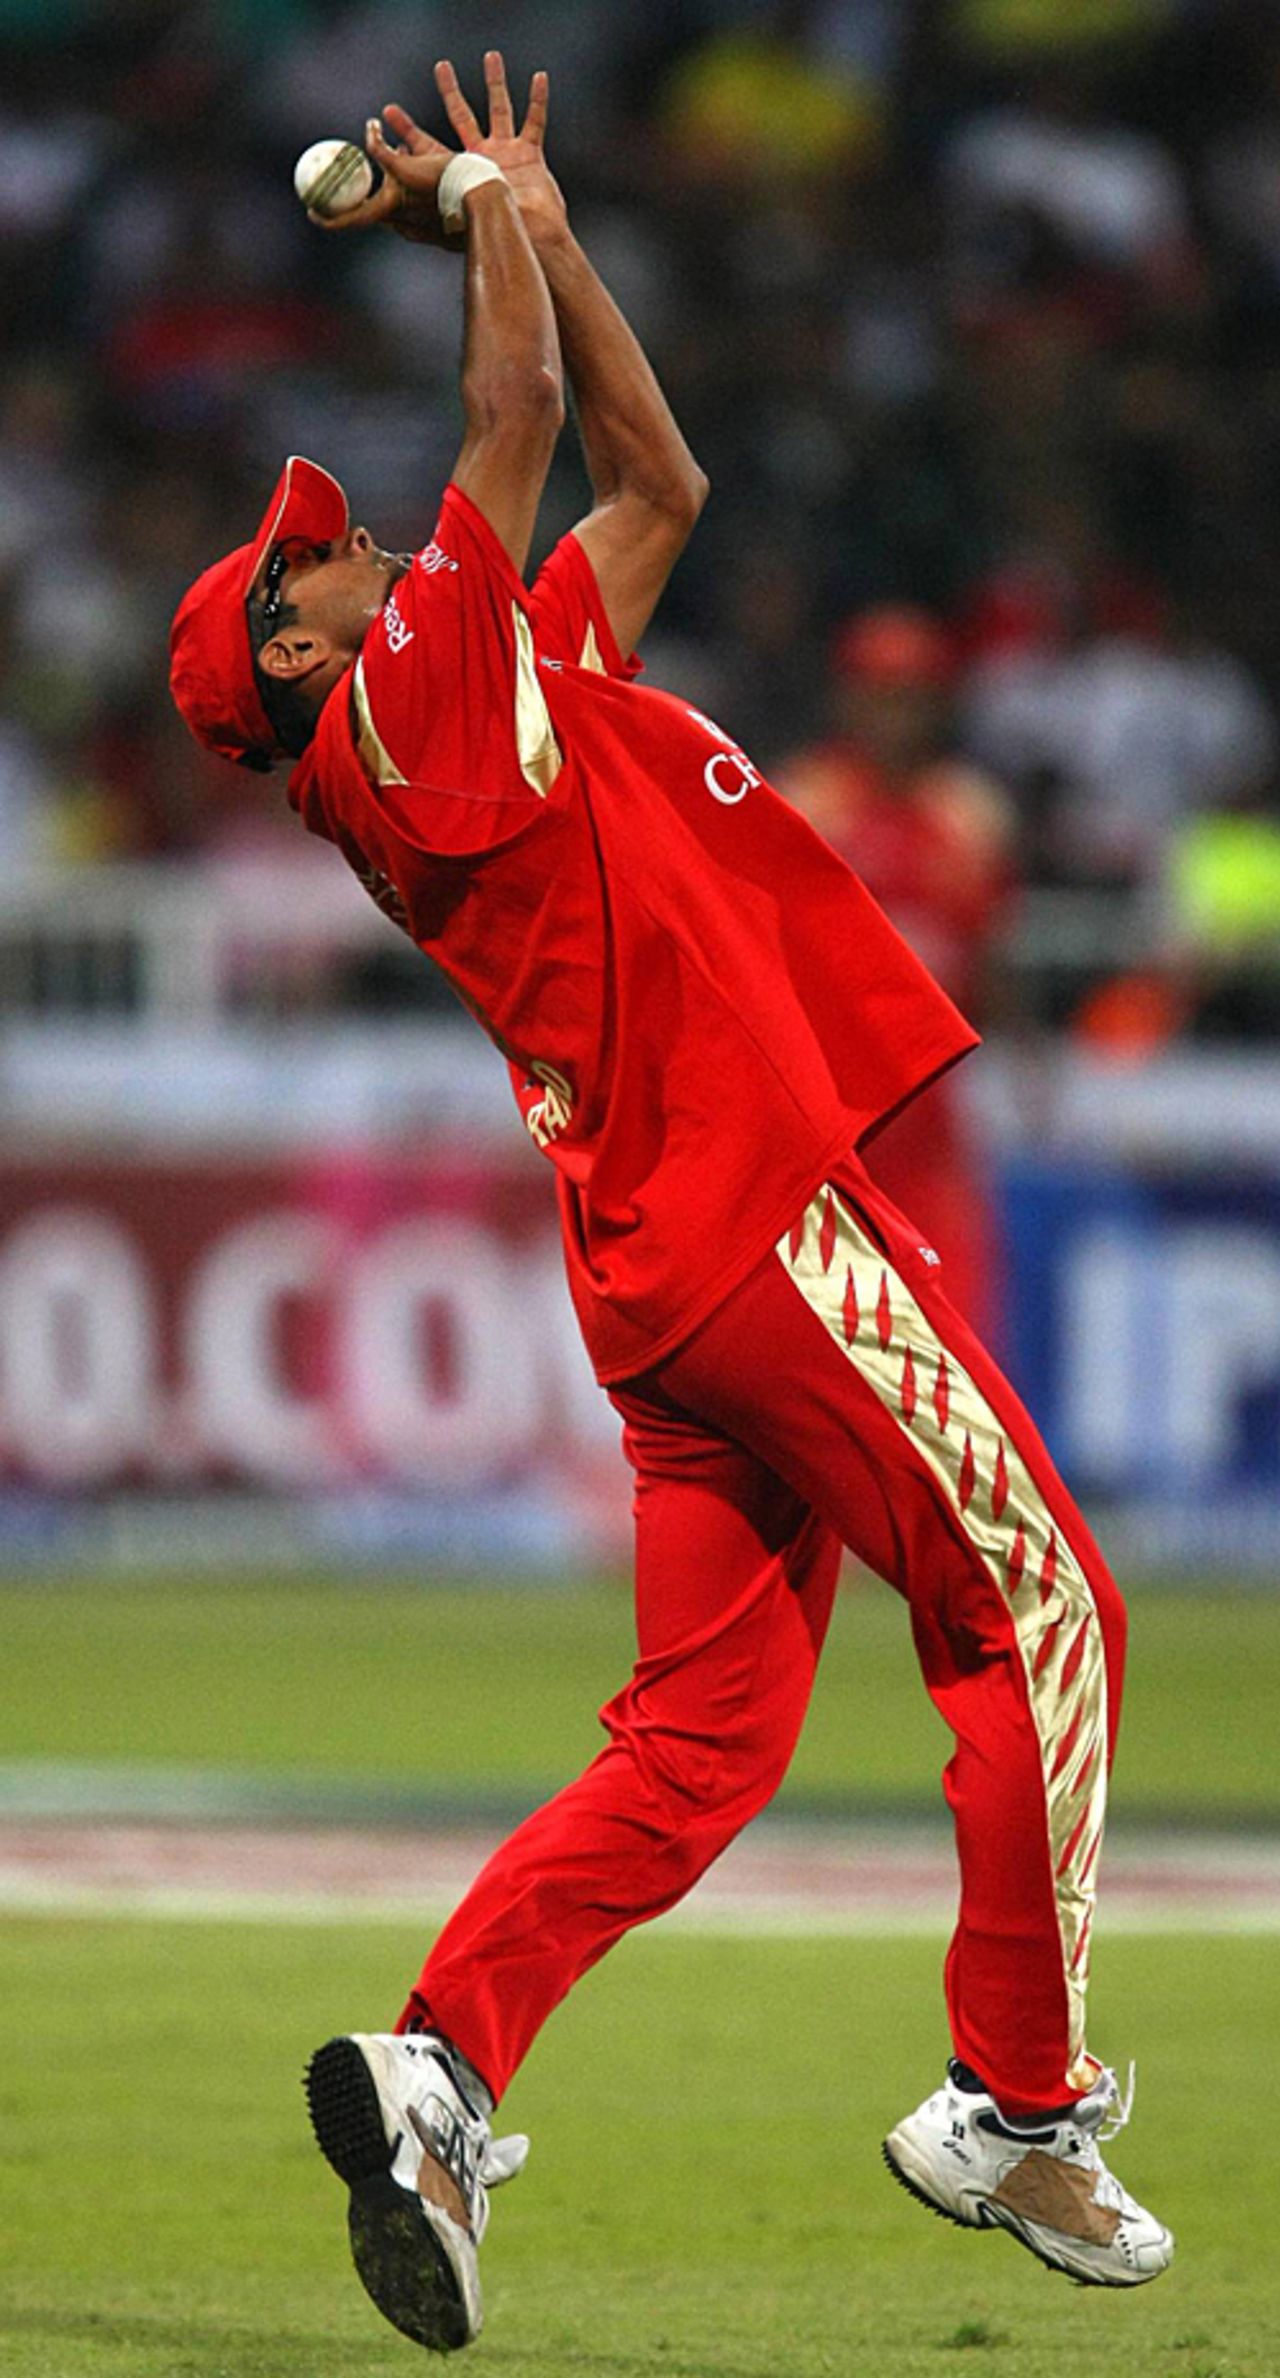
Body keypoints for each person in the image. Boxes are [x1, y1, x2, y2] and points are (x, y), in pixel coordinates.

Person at [169, 53, 1173, 2358]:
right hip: (750, 1222)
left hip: (661, 1285)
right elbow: (511, 401)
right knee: (1048, 1617)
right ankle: (1011, 2093)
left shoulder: (486, 693)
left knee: (691, 1747)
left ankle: (437, 2066)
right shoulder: (408, 715)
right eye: (313, 558)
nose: (349, 541)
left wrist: (545, 222)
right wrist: (493, 209)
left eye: (324, 530)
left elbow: (654, 469)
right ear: (305, 661)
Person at [775, 604, 1015, 1339]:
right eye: (881, 695)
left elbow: (990, 958)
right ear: (849, 698)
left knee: (957, 1341)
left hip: (932, 1133)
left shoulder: (970, 816)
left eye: (912, 697)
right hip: (824, 1130)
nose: (896, 717)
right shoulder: (805, 803)